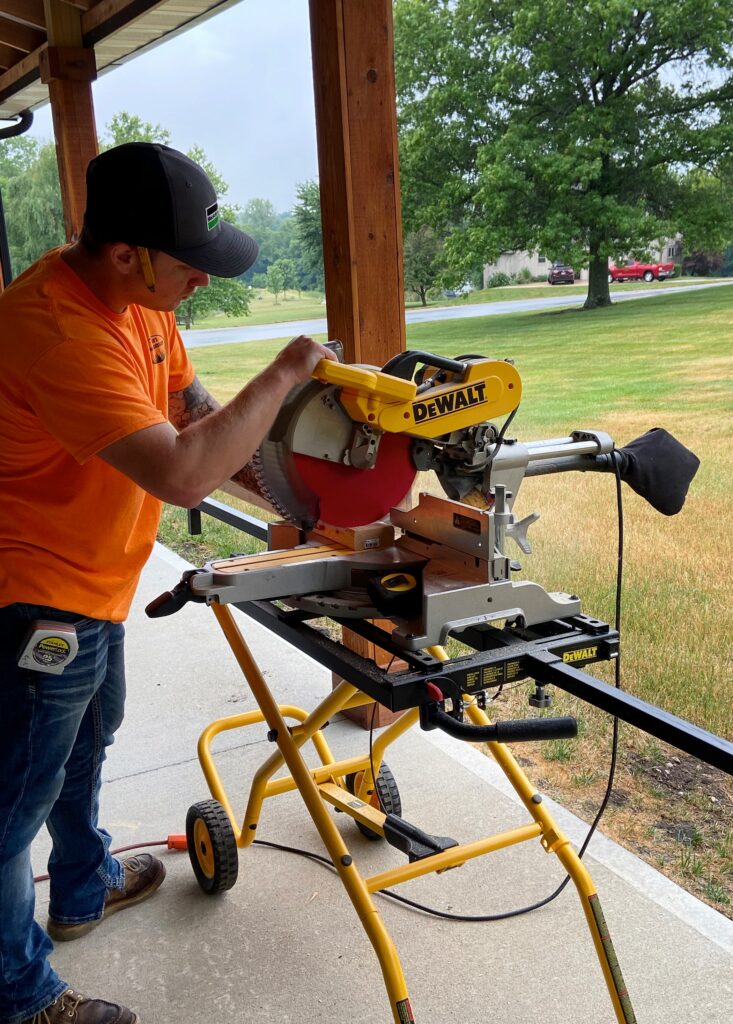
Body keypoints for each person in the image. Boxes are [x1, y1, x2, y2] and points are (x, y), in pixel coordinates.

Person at [0, 142, 335, 1024]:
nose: (204, 284)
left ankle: (80, 886)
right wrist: (287, 373)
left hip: (96, 580)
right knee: (10, 805)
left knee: (86, 743)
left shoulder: (140, 306)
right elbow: (185, 473)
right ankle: (20, 997)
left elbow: (195, 417)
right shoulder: (54, 329)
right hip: (33, 593)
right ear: (126, 254)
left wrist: (297, 494)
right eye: (191, 267)